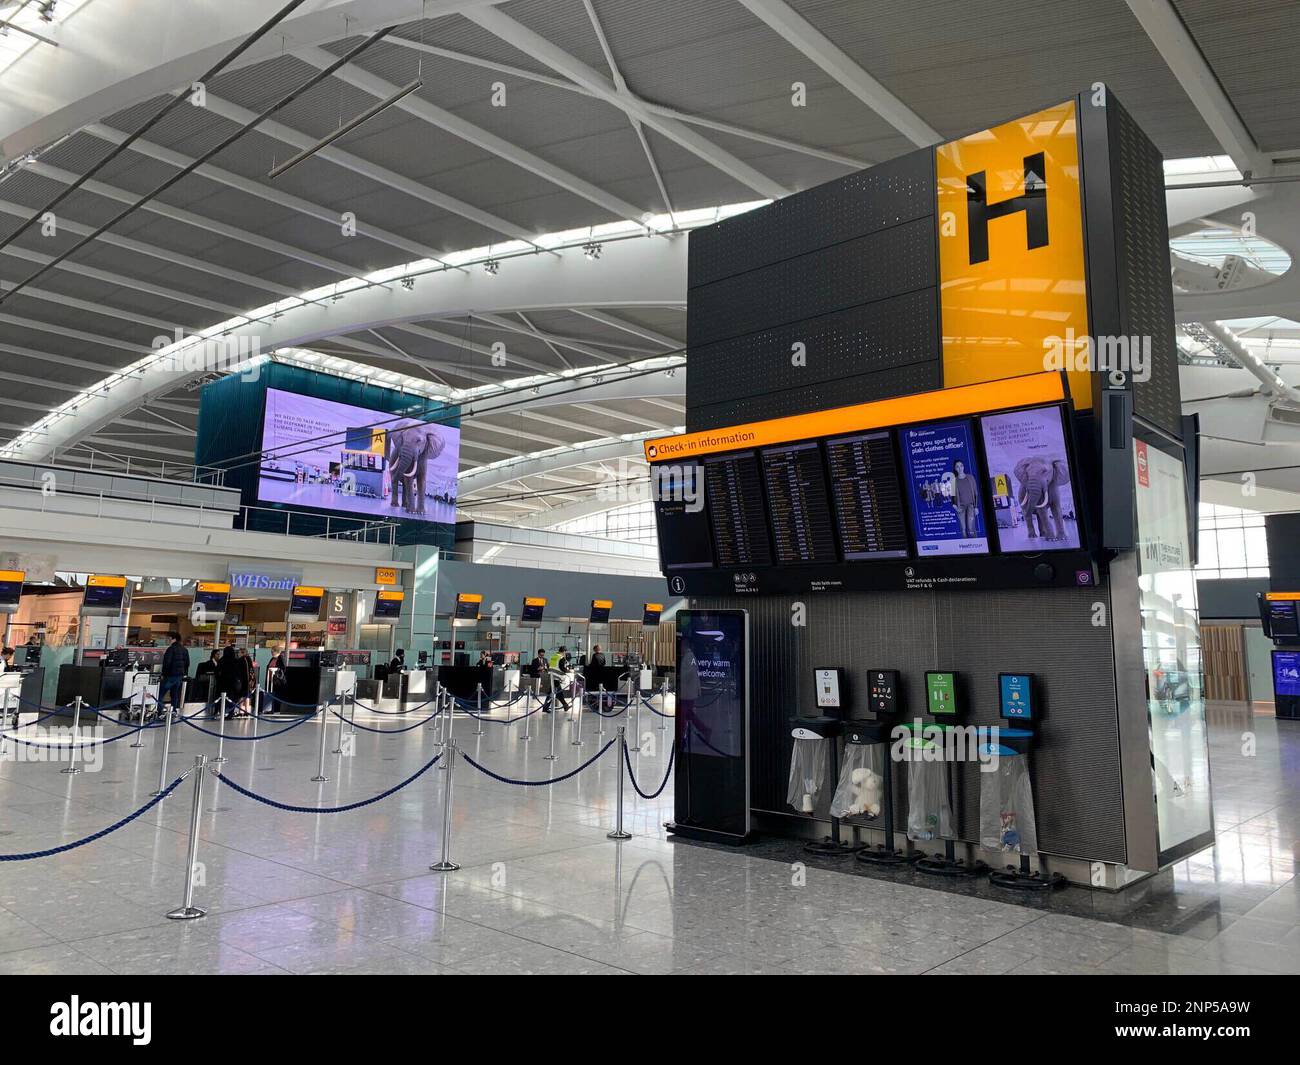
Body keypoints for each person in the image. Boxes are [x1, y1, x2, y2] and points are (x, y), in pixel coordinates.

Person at [159, 632, 189, 717]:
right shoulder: (184, 649)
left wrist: (164, 674)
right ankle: (174, 711)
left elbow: (167, 663)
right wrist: (183, 673)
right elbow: (187, 663)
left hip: (170, 675)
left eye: (168, 638)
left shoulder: (171, 649)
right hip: (179, 676)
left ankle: (160, 711)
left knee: (161, 694)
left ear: (173, 639)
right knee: (175, 694)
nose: (167, 640)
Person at [213, 645, 246, 719]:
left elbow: (217, 672)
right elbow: (239, 673)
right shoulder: (235, 661)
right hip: (233, 684)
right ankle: (230, 713)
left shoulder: (222, 660)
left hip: (222, 683)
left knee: (220, 698)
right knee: (232, 699)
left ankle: (218, 712)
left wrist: (219, 678)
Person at [585, 644, 608, 710]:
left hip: (595, 672)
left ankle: (594, 700)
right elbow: (604, 663)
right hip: (602, 671)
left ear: (595, 649)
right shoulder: (603, 655)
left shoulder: (594, 655)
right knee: (601, 685)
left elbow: (593, 664)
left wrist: (588, 666)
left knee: (595, 686)